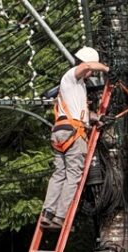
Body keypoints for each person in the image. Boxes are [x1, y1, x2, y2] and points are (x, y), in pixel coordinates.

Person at [41, 47, 110, 230]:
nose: (91, 74)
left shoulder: (77, 88)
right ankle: (60, 216)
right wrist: (107, 69)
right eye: (91, 70)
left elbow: (83, 114)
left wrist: (97, 118)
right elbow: (86, 66)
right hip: (73, 133)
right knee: (73, 175)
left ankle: (48, 213)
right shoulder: (71, 76)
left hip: (61, 132)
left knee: (59, 174)